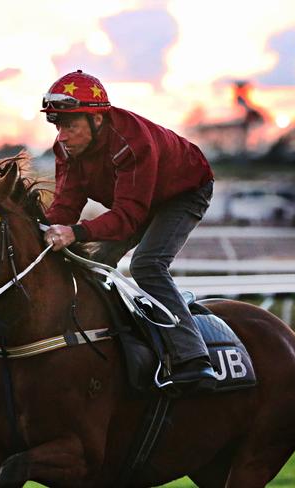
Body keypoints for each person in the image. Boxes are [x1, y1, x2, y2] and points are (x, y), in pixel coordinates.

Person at [41, 70, 216, 392]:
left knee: (147, 264)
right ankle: (113, 337)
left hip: (184, 192)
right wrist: (50, 229)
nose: (61, 136)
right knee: (93, 263)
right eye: (57, 126)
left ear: (97, 120)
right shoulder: (67, 149)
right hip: (139, 200)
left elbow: (128, 217)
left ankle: (194, 358)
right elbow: (66, 204)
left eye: (70, 125)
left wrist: (75, 233)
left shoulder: (131, 142)